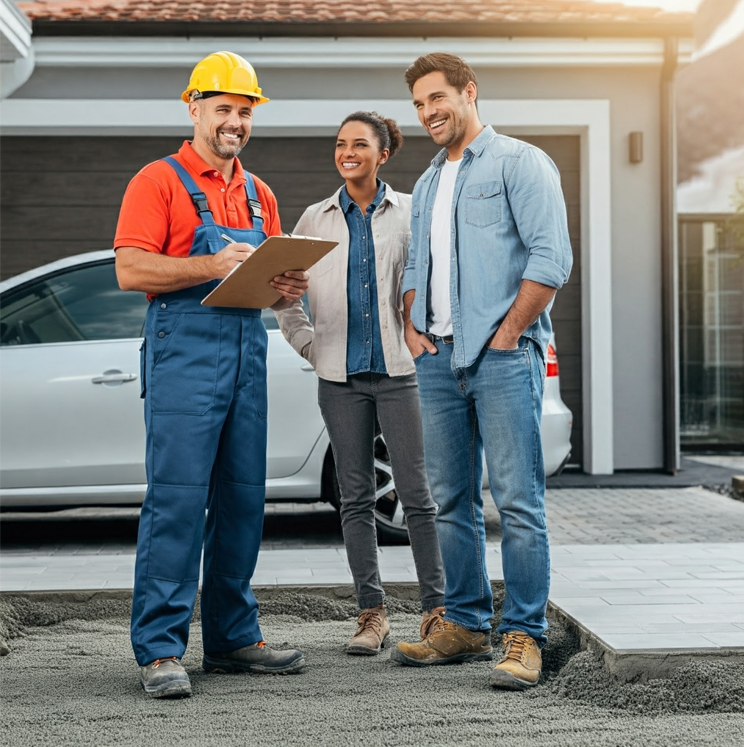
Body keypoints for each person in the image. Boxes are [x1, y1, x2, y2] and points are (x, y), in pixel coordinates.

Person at [115, 51, 309, 699]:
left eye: (245, 111)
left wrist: (286, 288)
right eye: (223, 108)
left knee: (243, 499)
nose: (234, 122)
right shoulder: (158, 182)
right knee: (176, 501)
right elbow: (132, 271)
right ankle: (161, 649)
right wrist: (211, 265)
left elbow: (273, 297)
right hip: (183, 358)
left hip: (246, 355)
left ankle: (231, 637)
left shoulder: (261, 194)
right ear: (192, 106)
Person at [391, 53, 573, 691]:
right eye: (418, 105)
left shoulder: (520, 163)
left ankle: (524, 634)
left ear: (469, 93)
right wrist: (413, 328)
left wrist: (509, 332)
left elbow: (552, 257)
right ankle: (465, 624)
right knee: (451, 502)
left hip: (502, 357)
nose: (428, 113)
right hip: (438, 362)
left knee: (518, 503)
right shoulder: (431, 180)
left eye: (437, 98)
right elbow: (418, 269)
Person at [276, 111, 445, 655]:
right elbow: (285, 296)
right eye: (340, 143)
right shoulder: (314, 219)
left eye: (359, 144)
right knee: (354, 498)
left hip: (401, 375)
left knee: (417, 497)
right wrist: (308, 344)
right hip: (339, 379)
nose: (347, 152)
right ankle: (372, 616)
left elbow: (433, 285)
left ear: (383, 154)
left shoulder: (411, 215)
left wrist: (426, 342)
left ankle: (437, 611)